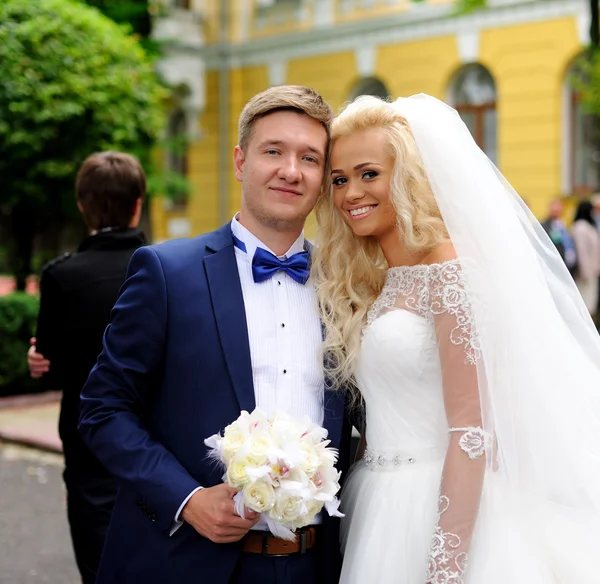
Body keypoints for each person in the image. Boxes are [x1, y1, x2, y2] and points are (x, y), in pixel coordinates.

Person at [311, 94, 600, 583]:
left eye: (369, 173)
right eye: (339, 180)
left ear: (408, 176)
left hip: (439, 511)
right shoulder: (388, 279)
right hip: (378, 503)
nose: (351, 193)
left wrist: (444, 568)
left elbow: (470, 432)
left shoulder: (449, 275)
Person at [78, 85, 352, 584]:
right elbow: (103, 408)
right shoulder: (166, 272)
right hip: (185, 561)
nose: (291, 170)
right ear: (240, 160)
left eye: (309, 158)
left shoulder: (345, 287)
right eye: (274, 151)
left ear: (322, 179)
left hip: (315, 565)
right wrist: (186, 499)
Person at [28, 151, 147, 583]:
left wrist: (38, 361)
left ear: (82, 205)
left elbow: (52, 369)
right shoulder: (170, 267)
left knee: (97, 564)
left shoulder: (61, 276)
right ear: (137, 203)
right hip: (157, 438)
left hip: (87, 444)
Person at [571, 200, 600, 317]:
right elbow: (581, 251)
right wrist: (586, 272)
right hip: (585, 274)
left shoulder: (588, 226)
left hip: (592, 272)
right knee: (585, 304)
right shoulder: (580, 228)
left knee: (591, 303)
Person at [541, 198, 577, 274]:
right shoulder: (543, 226)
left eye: (559, 207)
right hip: (554, 267)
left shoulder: (563, 225)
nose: (557, 210)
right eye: (554, 207)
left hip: (568, 266)